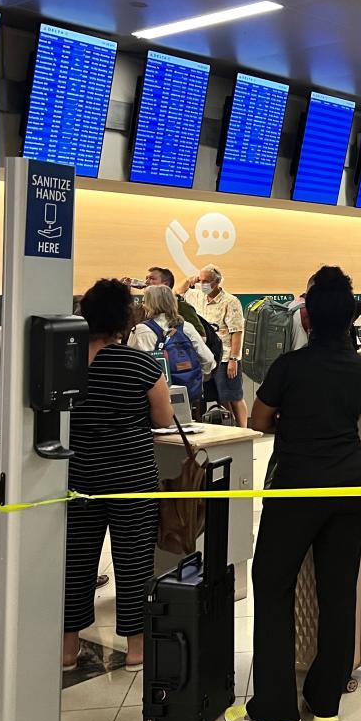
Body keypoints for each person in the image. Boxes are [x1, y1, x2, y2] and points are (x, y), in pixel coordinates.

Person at [226, 266, 361, 721]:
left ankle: (275, 708)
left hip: (295, 486)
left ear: (307, 320)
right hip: (352, 484)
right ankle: (325, 698)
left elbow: (260, 420)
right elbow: (355, 410)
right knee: (337, 589)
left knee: (272, 583)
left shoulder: (288, 367)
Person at [63, 279, 174, 673]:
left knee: (75, 564)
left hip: (77, 479)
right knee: (133, 564)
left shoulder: (65, 361)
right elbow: (163, 420)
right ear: (124, 321)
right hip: (131, 478)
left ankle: (66, 650)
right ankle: (136, 651)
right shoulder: (139, 364)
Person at [180, 264, 248, 426]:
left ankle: (244, 428)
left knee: (234, 396)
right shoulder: (197, 296)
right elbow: (178, 292)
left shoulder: (230, 301)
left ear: (217, 283)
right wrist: (191, 280)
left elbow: (237, 331)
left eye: (207, 281)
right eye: (201, 280)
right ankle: (230, 426)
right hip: (206, 357)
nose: (203, 284)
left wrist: (234, 359)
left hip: (225, 357)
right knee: (220, 396)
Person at [127, 284, 216, 383]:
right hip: (189, 392)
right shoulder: (187, 327)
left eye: (144, 301)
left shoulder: (140, 331)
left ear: (148, 304)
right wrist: (196, 376)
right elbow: (209, 360)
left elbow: (131, 365)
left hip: (155, 391)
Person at [138, 265, 207, 337]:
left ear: (165, 284)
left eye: (152, 279)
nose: (147, 282)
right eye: (146, 278)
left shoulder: (182, 306)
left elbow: (201, 336)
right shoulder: (143, 307)